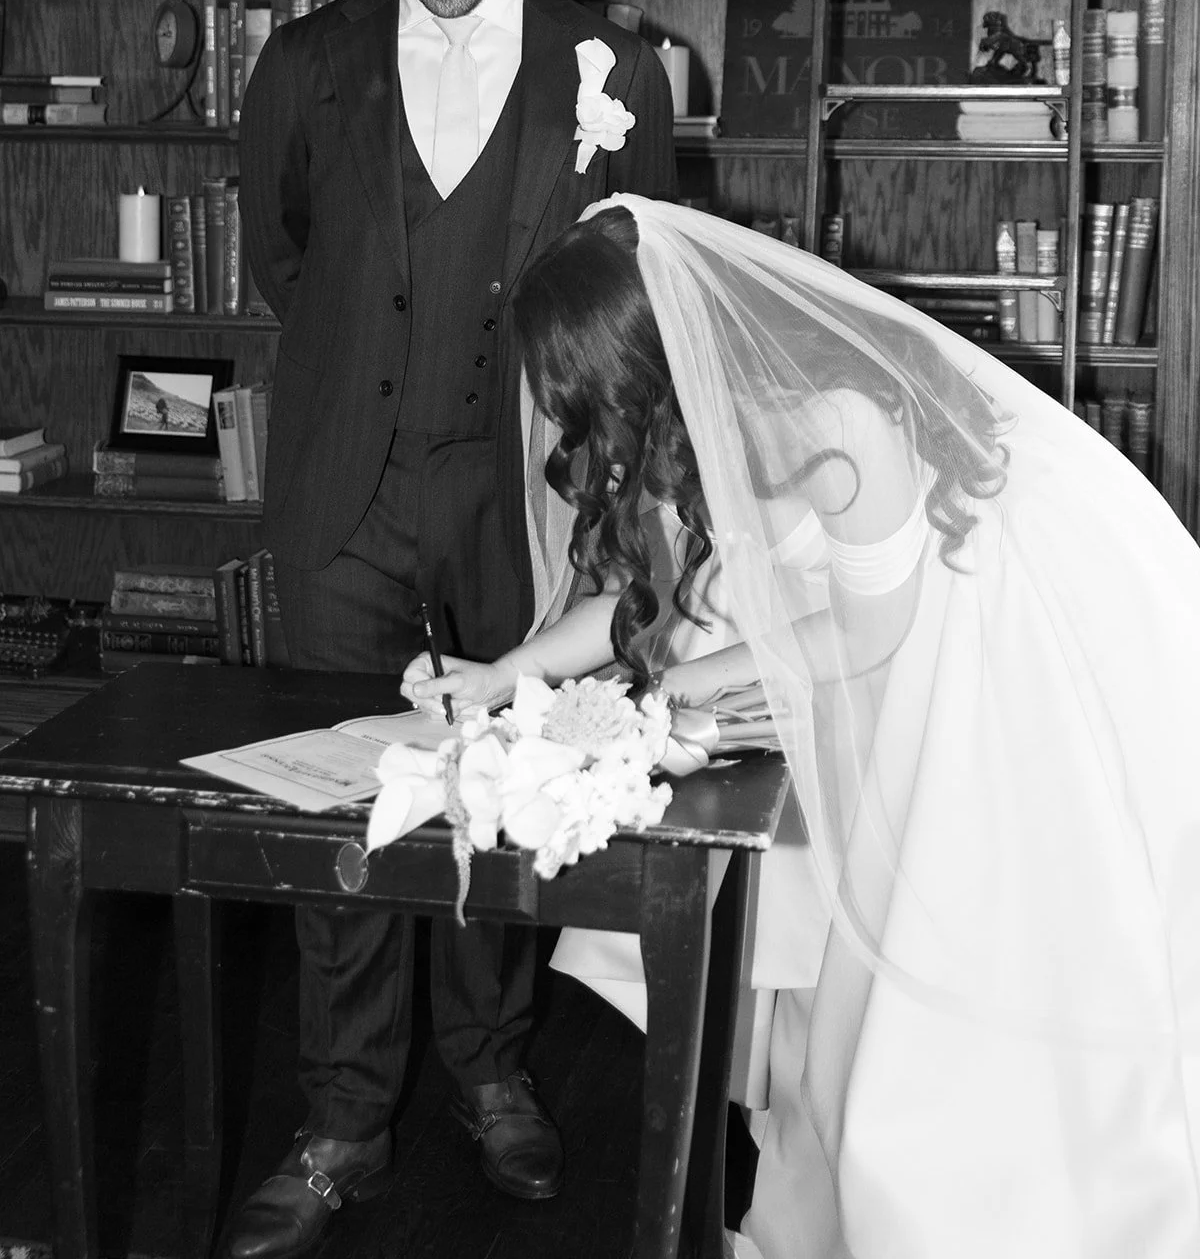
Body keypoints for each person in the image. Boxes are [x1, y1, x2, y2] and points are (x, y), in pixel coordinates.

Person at [404, 195, 1200, 1259]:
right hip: (881, 661)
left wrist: (663, 703)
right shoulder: (692, 425)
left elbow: (867, 635)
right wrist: (504, 674)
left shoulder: (833, 422)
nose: (570, 431)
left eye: (583, 400)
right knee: (832, 1013)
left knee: (934, 1004)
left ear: (646, 365)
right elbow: (654, 599)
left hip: (983, 666)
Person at [229, 0, 676, 1259]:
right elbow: (287, 258)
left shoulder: (617, 67)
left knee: (511, 789)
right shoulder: (304, 62)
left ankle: (491, 1075)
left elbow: (633, 294)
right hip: (342, 498)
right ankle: (346, 1119)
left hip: (527, 509)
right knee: (346, 808)